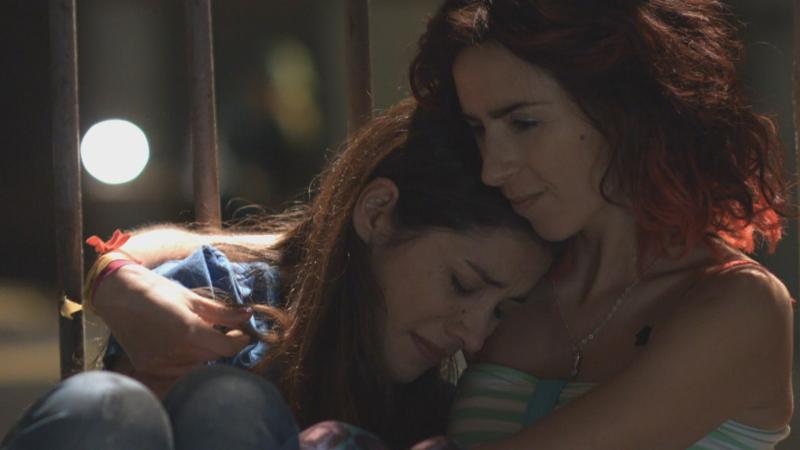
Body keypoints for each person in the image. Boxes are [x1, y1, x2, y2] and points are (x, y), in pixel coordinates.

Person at [1, 99, 552, 450]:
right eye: (463, 284)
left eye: (502, 311)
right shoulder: (222, 299)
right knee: (110, 406)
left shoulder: (440, 418)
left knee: (230, 402)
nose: (474, 335)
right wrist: (117, 274)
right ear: (377, 213)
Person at [406, 0, 794, 449]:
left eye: (524, 123)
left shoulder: (739, 304)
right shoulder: (506, 294)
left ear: (621, 107)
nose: (492, 168)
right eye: (478, 129)